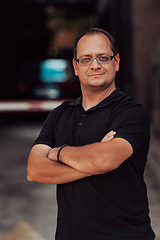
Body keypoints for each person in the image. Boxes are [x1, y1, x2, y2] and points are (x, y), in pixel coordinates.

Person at [27, 28, 155, 240]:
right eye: (86, 59)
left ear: (116, 62)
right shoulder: (59, 114)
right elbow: (34, 170)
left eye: (103, 57)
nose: (95, 65)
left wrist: (59, 153)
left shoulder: (131, 112)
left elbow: (104, 160)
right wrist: (91, 164)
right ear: (76, 67)